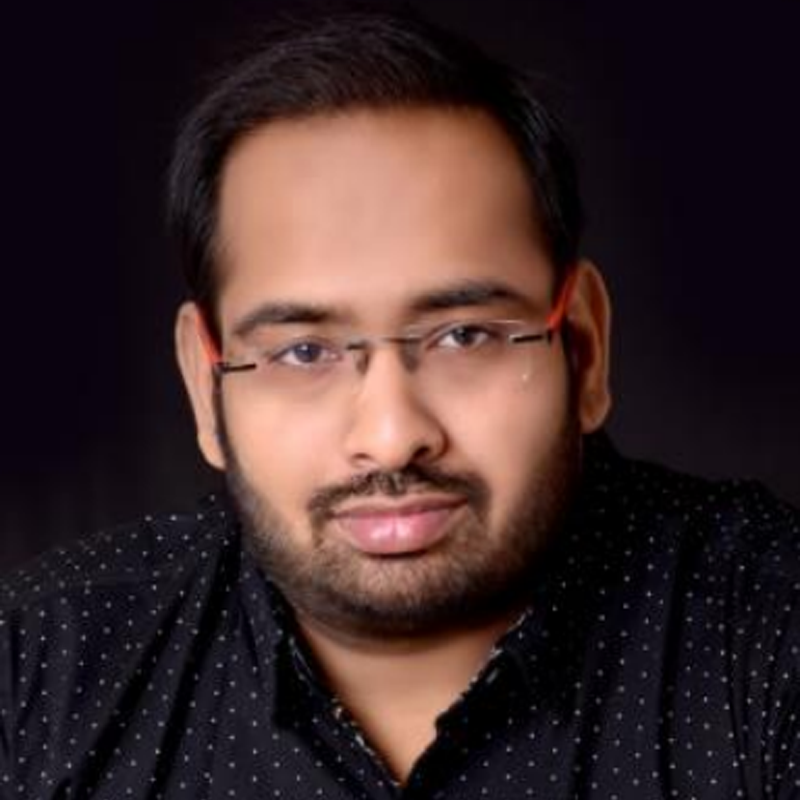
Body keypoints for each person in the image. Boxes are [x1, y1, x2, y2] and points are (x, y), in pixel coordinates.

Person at [1, 10, 798, 799]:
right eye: (303, 351)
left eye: (464, 336)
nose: (390, 438)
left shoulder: (770, 629)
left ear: (584, 347)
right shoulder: (36, 671)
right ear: (204, 383)